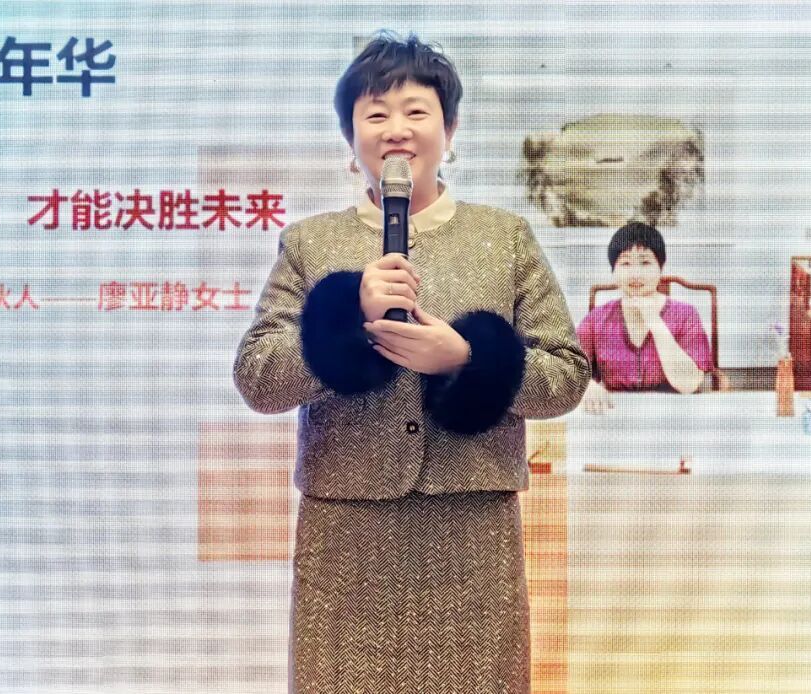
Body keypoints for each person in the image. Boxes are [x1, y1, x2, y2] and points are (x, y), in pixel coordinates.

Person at [232, 32, 589, 693]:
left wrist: (469, 359)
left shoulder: (504, 237)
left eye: (416, 111)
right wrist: (348, 320)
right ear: (351, 139)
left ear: (449, 131)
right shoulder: (310, 243)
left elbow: (566, 375)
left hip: (472, 535)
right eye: (375, 113)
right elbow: (258, 377)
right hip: (347, 539)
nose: (396, 128)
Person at [576, 221, 712, 414]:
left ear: (661, 268)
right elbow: (570, 371)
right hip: (616, 412)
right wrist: (586, 386)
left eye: (645, 262)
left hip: (674, 413)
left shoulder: (686, 315)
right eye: (625, 263)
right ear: (613, 270)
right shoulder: (595, 320)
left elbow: (688, 384)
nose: (636, 274)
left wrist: (653, 319)